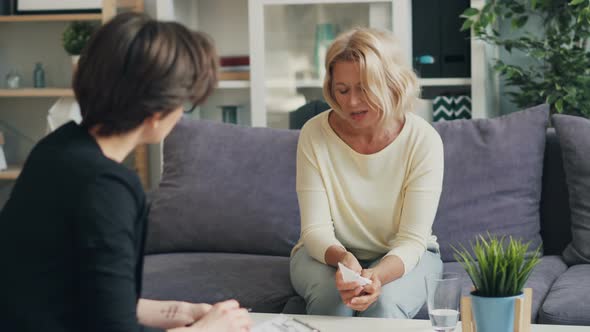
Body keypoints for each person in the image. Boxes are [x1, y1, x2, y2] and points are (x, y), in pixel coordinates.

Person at [0, 12, 252, 332]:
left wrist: (183, 311)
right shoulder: (107, 187)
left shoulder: (56, 148)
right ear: (155, 112)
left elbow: (96, 300)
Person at [289, 27, 444, 318]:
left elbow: (412, 240)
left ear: (392, 83)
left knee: (382, 307)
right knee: (332, 303)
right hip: (326, 255)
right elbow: (314, 231)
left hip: (406, 256)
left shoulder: (424, 139)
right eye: (342, 90)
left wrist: (377, 277)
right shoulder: (314, 133)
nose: (352, 102)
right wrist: (344, 259)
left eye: (364, 88)